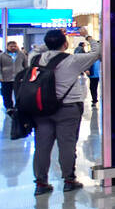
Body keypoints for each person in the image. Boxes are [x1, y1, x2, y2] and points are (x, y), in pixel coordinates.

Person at [28, 29, 99, 195]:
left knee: (42, 147)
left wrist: (50, 41)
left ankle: (41, 183)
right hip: (68, 108)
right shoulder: (72, 60)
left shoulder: (35, 58)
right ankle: (68, 180)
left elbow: (36, 50)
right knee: (67, 145)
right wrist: (87, 36)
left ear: (47, 43)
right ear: (65, 44)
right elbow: (97, 52)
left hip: (42, 109)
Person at [0, 41, 26, 111]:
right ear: (7, 47)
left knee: (19, 94)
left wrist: (25, 76)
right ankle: (9, 107)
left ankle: (18, 106)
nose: (13, 48)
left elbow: (25, 66)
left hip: (18, 78)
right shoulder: (1, 56)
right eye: (11, 46)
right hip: (6, 79)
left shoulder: (21, 55)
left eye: (14, 46)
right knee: (6, 94)